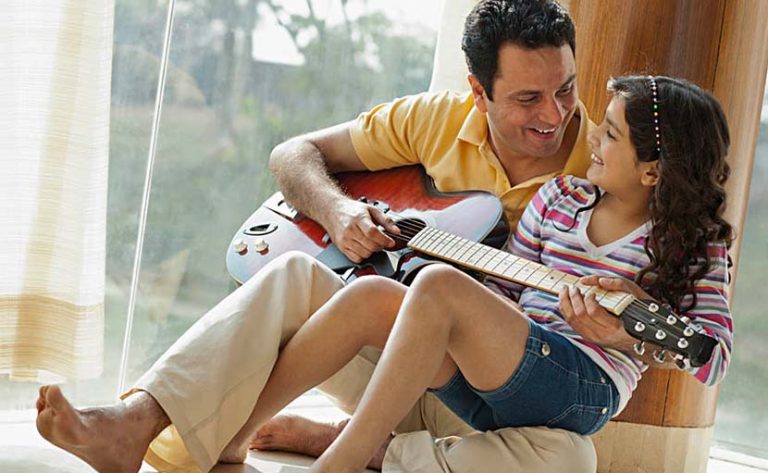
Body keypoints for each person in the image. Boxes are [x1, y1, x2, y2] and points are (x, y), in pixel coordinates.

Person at [35, 1, 609, 472]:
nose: (553, 115)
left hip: (479, 406)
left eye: (565, 90)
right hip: (380, 359)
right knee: (295, 274)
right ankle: (133, 422)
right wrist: (338, 212)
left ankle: (361, 446)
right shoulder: (435, 119)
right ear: (478, 92)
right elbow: (294, 154)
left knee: (570, 460)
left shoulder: (606, 167)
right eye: (527, 99)